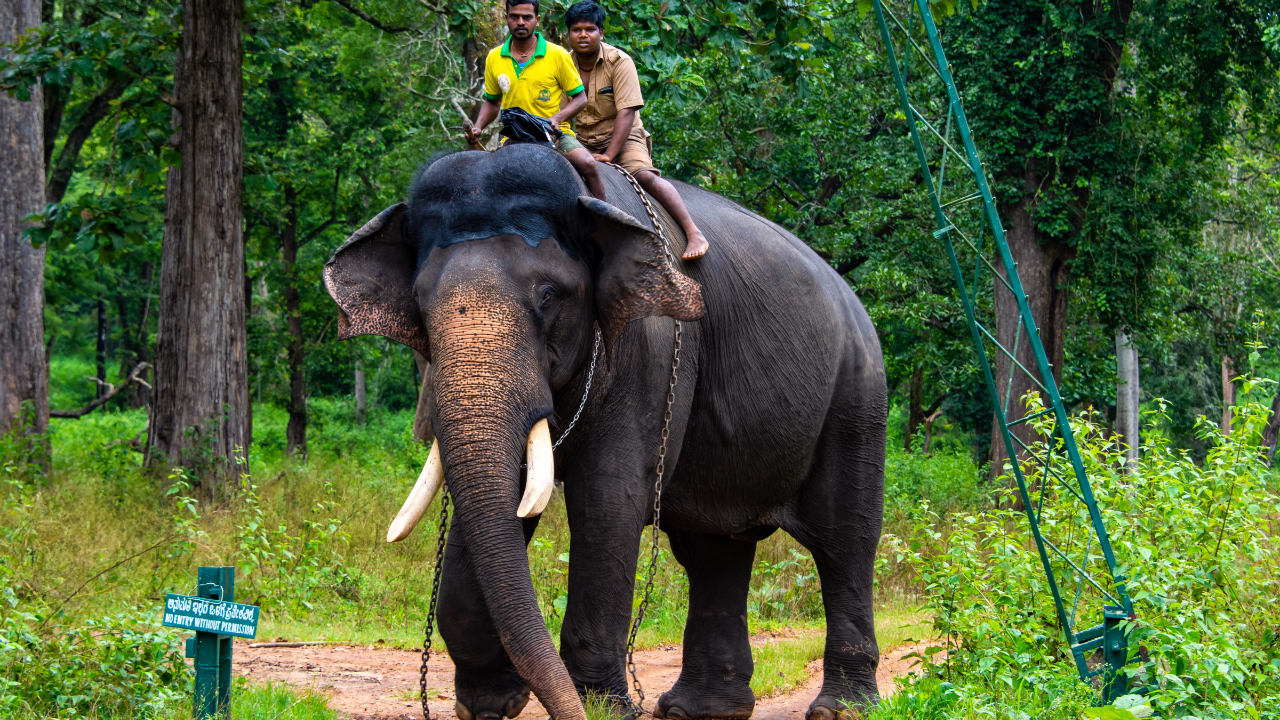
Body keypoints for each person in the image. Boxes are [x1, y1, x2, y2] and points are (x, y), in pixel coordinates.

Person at [563, 1, 708, 259]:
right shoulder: (562, 65)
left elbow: (626, 113)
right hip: (584, 139)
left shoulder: (619, 62)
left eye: (589, 29)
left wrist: (609, 155)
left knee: (645, 177)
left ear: (601, 33)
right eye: (576, 30)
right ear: (569, 34)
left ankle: (693, 231)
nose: (582, 35)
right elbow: (560, 113)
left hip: (624, 135)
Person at [464, 0, 606, 200]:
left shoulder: (557, 54)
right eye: (514, 17)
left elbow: (580, 98)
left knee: (588, 164)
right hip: (514, 136)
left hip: (553, 135)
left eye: (527, 17)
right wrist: (478, 127)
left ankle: (603, 220)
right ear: (506, 19)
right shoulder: (494, 57)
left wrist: (557, 119)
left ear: (537, 20)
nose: (520, 22)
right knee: (479, 182)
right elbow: (493, 102)